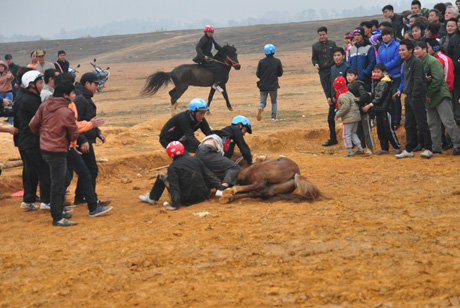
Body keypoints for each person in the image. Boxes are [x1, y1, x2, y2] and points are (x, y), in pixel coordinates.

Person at [29, 80, 80, 226]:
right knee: (58, 184)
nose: (74, 95)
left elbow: (33, 124)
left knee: (60, 179)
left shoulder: (44, 105)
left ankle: (58, 210)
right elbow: (74, 134)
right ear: (65, 95)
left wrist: (42, 134)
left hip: (44, 148)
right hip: (57, 150)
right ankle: (57, 217)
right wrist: (67, 139)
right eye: (72, 93)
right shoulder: (66, 111)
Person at [139, 141, 221, 210]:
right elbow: (209, 175)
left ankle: (151, 198)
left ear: (171, 154)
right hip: (204, 196)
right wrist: (221, 189)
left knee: (162, 175)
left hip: (187, 200)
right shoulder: (195, 159)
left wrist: (175, 205)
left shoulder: (173, 167)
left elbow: (175, 186)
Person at [413, 40, 460, 155]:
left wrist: (428, 95)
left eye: (418, 48)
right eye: (414, 49)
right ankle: (436, 147)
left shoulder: (433, 61)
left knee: (448, 121)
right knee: (432, 123)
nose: (415, 51)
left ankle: (457, 145)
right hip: (428, 96)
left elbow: (438, 80)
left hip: (439, 95)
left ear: (425, 49)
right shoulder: (418, 63)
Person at [74, 72, 110, 206]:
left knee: (86, 170)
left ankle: (80, 197)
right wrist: (82, 140)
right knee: (91, 169)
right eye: (95, 84)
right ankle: (90, 198)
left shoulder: (85, 97)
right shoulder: (80, 99)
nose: (97, 87)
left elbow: (89, 119)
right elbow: (74, 122)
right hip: (83, 141)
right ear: (87, 83)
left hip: (87, 139)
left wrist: (98, 132)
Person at [16, 70, 51, 210]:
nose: (42, 85)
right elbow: (42, 121)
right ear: (31, 84)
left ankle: (28, 201)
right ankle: (47, 202)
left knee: (30, 172)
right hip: (32, 141)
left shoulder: (24, 97)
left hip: (24, 141)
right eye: (40, 83)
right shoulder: (32, 100)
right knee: (44, 171)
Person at [195, 115, 253, 197]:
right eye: (245, 130)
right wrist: (250, 161)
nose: (244, 134)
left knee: (214, 172)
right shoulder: (235, 129)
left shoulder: (226, 135)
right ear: (240, 125)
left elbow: (226, 155)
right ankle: (221, 190)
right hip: (207, 152)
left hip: (200, 152)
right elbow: (244, 148)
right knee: (234, 167)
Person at [395, 39, 433, 159]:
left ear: (410, 50)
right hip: (409, 96)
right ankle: (409, 149)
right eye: (399, 50)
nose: (400, 52)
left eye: (403, 50)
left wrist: (415, 95)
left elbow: (418, 80)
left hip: (417, 96)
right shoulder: (405, 62)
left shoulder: (416, 62)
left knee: (421, 123)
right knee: (409, 124)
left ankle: (428, 148)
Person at [362, 63, 401, 155]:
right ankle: (384, 148)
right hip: (378, 109)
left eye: (378, 72)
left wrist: (370, 105)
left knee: (388, 130)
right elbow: (375, 94)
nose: (376, 74)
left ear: (383, 72)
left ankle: (397, 147)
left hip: (385, 109)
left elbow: (380, 97)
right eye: (375, 72)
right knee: (380, 130)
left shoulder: (385, 82)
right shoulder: (377, 81)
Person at [312, 26, 338, 146]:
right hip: (322, 71)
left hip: (332, 69)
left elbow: (337, 55)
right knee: (326, 87)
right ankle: (329, 98)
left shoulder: (332, 44)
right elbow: (314, 58)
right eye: (320, 35)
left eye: (323, 34)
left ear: (326, 34)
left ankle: (334, 99)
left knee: (334, 85)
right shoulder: (315, 46)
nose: (322, 36)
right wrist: (316, 64)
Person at [377, 27, 403, 130]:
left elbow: (397, 60)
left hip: (396, 76)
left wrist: (384, 68)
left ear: (392, 35)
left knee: (395, 98)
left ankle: (397, 120)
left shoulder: (397, 46)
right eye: (383, 35)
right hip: (385, 77)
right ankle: (390, 120)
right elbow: (378, 60)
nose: (385, 37)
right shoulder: (380, 48)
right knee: (387, 99)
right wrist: (382, 70)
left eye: (387, 34)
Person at [346, 68, 375, 155]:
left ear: (356, 76)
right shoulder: (347, 87)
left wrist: (358, 99)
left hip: (363, 111)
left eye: (351, 75)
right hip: (355, 113)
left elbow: (365, 96)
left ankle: (370, 148)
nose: (349, 77)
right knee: (358, 131)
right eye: (347, 75)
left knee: (367, 130)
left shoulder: (359, 85)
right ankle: (361, 148)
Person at [332, 76, 363, 157]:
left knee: (346, 135)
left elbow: (345, 107)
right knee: (353, 133)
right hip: (356, 116)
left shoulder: (342, 96)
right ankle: (360, 148)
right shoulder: (349, 93)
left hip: (349, 118)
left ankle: (349, 151)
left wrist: (337, 114)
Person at [256, 44, 283, 122]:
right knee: (274, 101)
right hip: (273, 85)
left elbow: (258, 74)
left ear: (265, 52)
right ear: (274, 52)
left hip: (263, 85)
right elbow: (280, 74)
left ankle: (260, 107)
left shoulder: (261, 62)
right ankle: (273, 117)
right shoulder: (277, 61)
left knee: (262, 102)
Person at [192, 25, 224, 92]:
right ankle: (215, 84)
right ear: (205, 32)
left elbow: (216, 46)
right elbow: (198, 47)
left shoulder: (211, 38)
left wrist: (224, 50)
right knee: (218, 68)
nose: (211, 33)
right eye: (209, 32)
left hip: (209, 57)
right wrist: (203, 56)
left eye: (212, 32)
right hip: (203, 59)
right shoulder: (204, 39)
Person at [348, 28, 376, 92]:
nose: (356, 37)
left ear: (362, 35)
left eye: (358, 35)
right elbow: (349, 62)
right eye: (355, 35)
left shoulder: (369, 47)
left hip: (365, 79)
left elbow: (372, 61)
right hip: (354, 80)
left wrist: (366, 72)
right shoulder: (352, 49)